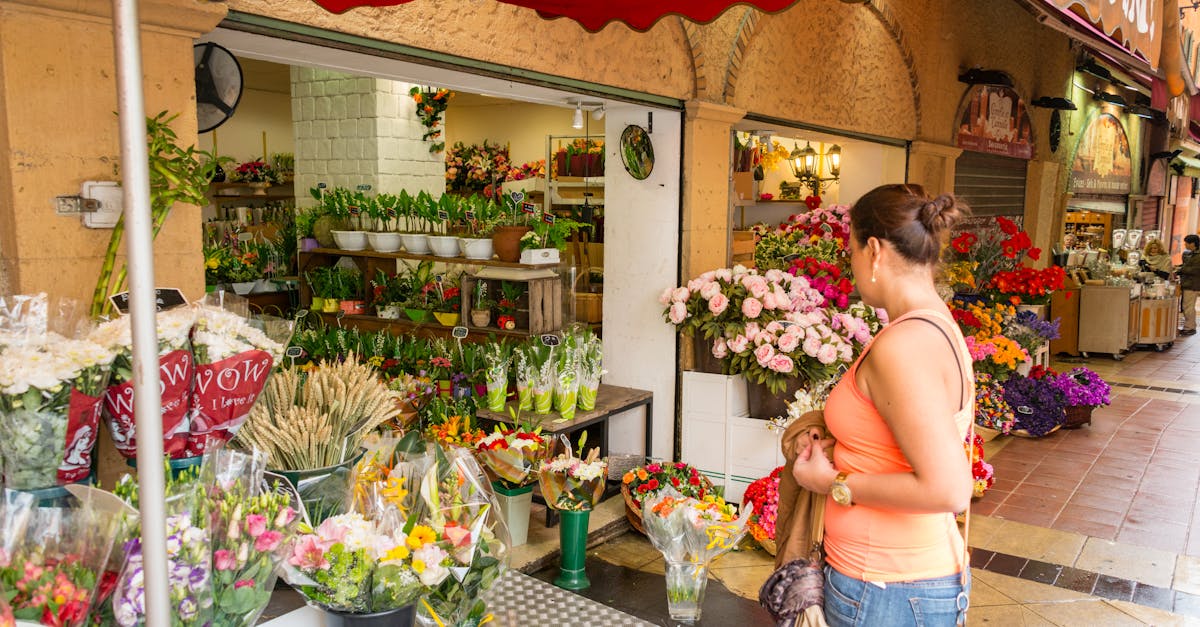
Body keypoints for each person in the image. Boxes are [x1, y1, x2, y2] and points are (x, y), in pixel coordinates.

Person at [790, 184, 974, 627]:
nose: (849, 264)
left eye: (850, 250)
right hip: (896, 586)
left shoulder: (904, 345)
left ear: (873, 250)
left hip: (886, 591)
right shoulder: (934, 326)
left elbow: (948, 489)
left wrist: (833, 482)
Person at [1179, 234, 1200, 336]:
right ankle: (1189, 326)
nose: (1185, 245)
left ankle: (1190, 327)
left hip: (1192, 284)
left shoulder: (1198, 255)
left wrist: (1181, 270)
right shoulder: (1190, 253)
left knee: (1188, 307)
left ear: (1193, 244)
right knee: (1187, 306)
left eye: (1186, 243)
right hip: (1188, 283)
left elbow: (1195, 269)